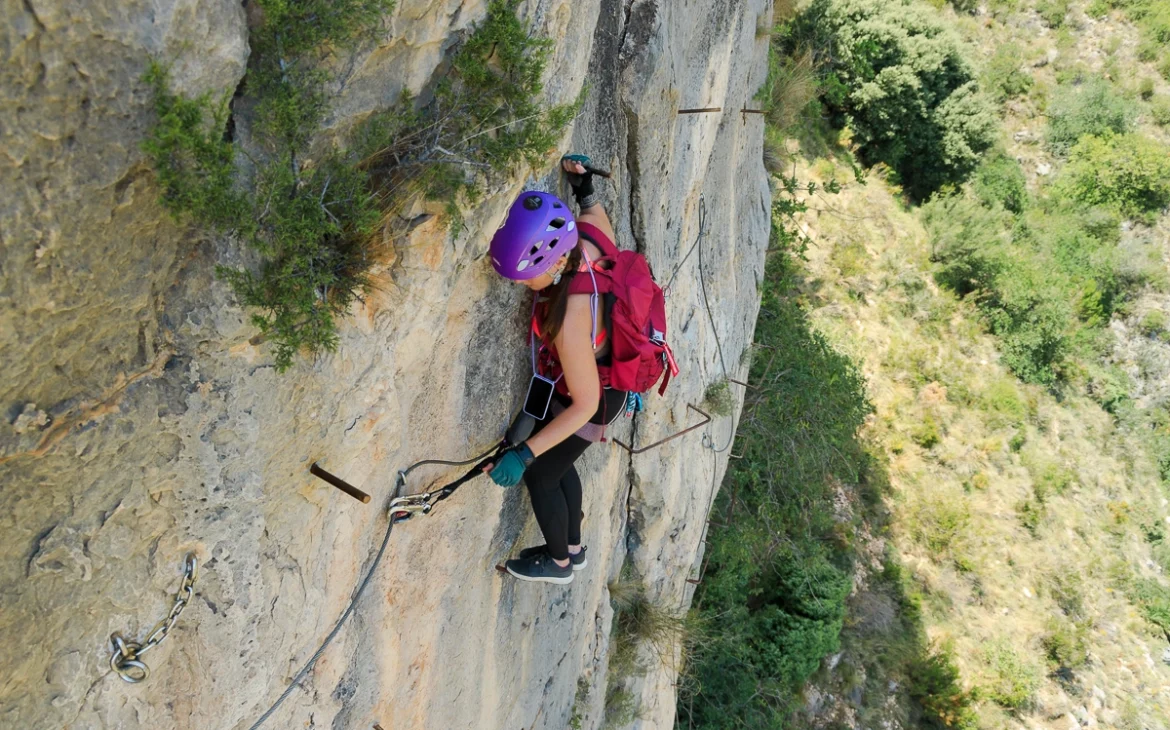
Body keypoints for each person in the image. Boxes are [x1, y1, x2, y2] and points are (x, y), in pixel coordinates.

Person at [483, 155, 629, 585]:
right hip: (594, 377)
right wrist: (583, 188)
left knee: (543, 473)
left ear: (549, 267)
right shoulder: (586, 241)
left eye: (524, 277)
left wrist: (524, 454)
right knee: (559, 463)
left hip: (599, 396)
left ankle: (560, 562)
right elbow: (595, 214)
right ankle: (576, 549)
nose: (520, 285)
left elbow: (584, 406)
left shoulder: (569, 322)